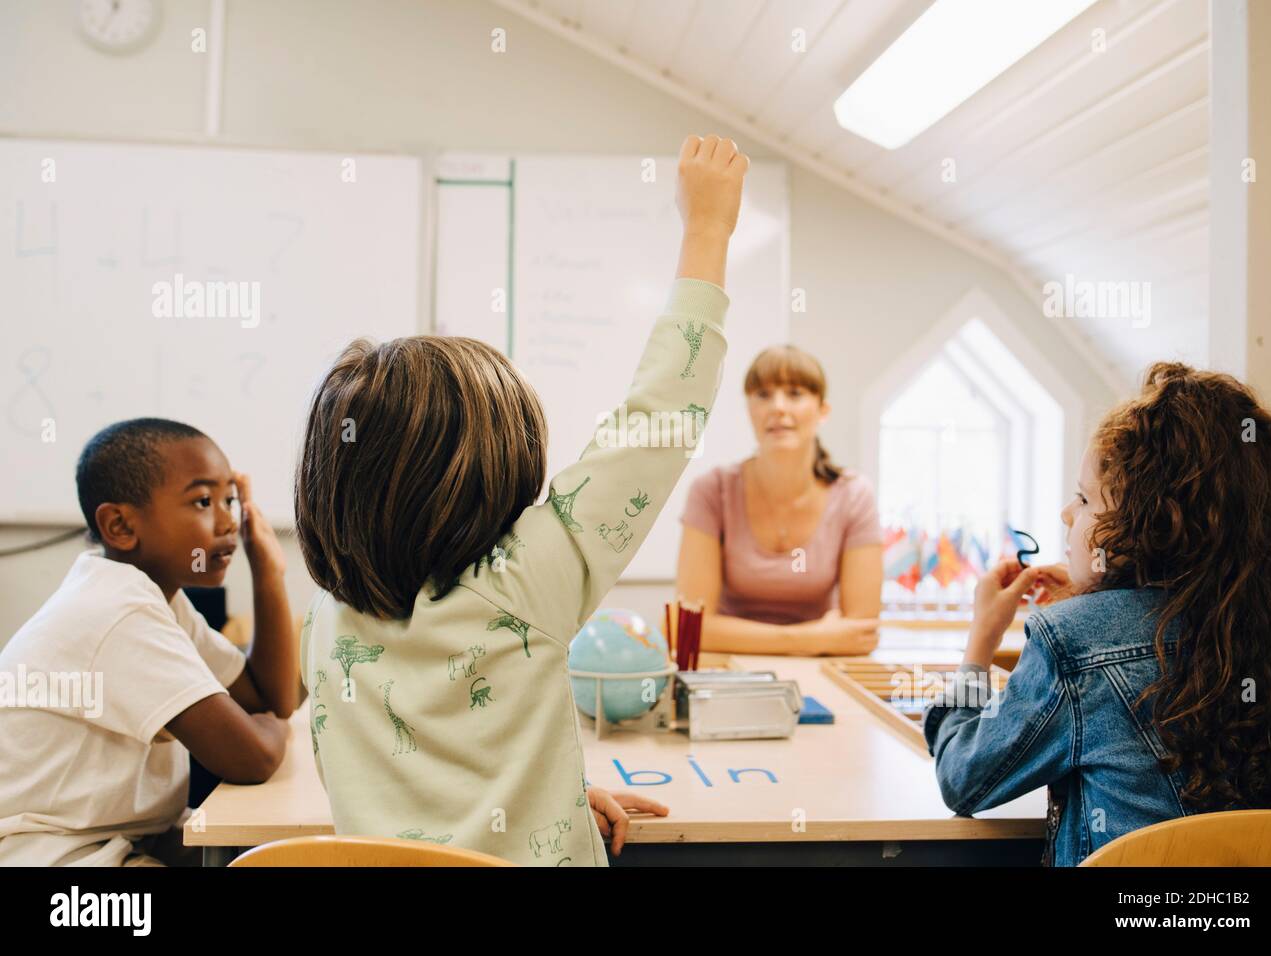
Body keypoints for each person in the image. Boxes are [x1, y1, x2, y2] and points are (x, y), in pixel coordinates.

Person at [295, 134, 749, 865]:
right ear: (491, 475)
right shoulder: (528, 580)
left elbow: (421, 798)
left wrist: (553, 795)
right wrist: (708, 228)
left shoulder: (326, 621)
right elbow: (662, 416)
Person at [926, 363, 1271, 865]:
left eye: (1084, 498)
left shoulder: (1075, 643)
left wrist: (979, 645)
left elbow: (964, 780)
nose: (1065, 513)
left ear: (1151, 523)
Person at [0, 418, 298, 866]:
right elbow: (251, 758)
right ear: (119, 525)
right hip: (50, 857)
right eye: (202, 501)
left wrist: (268, 571)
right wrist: (270, 727)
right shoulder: (118, 609)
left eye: (229, 500)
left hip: (119, 842)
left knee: (273, 855)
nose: (226, 523)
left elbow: (269, 696)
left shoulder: (156, 599)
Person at [675, 345, 882, 655]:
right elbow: (687, 628)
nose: (778, 407)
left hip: (822, 671)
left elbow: (861, 633)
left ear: (822, 411)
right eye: (763, 395)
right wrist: (805, 639)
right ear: (749, 408)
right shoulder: (711, 491)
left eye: (795, 393)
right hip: (727, 671)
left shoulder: (854, 496)